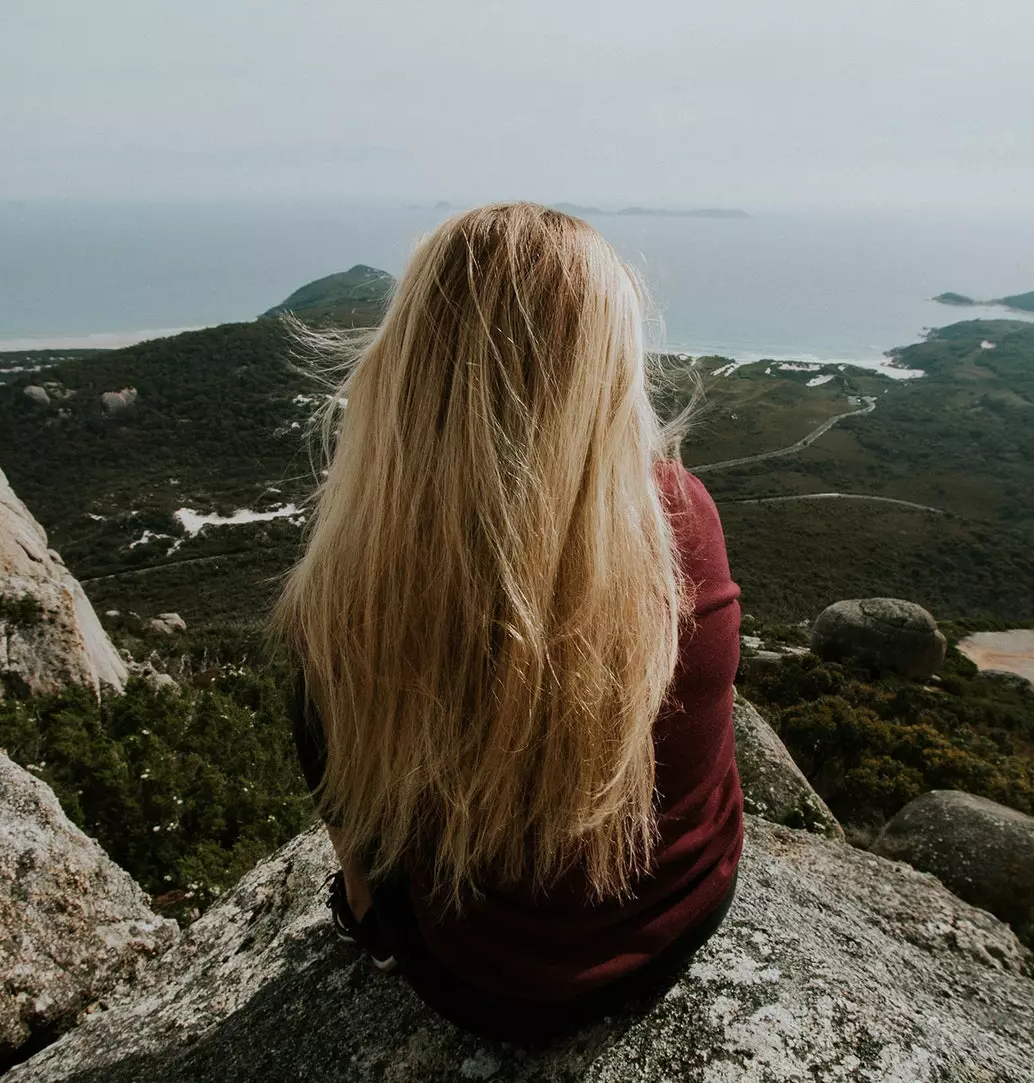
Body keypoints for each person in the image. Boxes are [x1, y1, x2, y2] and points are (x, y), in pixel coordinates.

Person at [273, 202, 743, 1043]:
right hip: (684, 922)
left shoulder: (367, 578)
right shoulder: (683, 518)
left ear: (411, 360)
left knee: (318, 666)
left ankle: (365, 912)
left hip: (478, 982)